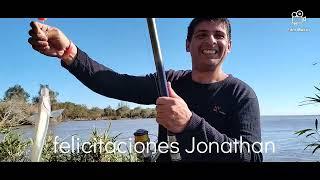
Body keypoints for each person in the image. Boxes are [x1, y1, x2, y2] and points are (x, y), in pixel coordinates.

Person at [28, 18, 263, 162]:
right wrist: (69, 52)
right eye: (201, 35)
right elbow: (112, 83)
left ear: (229, 46)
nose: (211, 41)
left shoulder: (242, 95)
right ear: (187, 45)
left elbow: (252, 157)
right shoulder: (168, 81)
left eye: (219, 35)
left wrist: (190, 123)